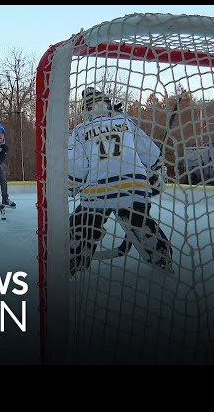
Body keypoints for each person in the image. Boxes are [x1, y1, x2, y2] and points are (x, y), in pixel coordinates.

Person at [67, 87, 172, 276]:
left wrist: (70, 187)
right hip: (135, 187)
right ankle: (160, 253)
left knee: (81, 223)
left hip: (98, 191)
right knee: (139, 217)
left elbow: (77, 169)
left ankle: (76, 254)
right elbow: (149, 152)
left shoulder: (81, 130)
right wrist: (157, 171)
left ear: (87, 109)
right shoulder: (125, 121)